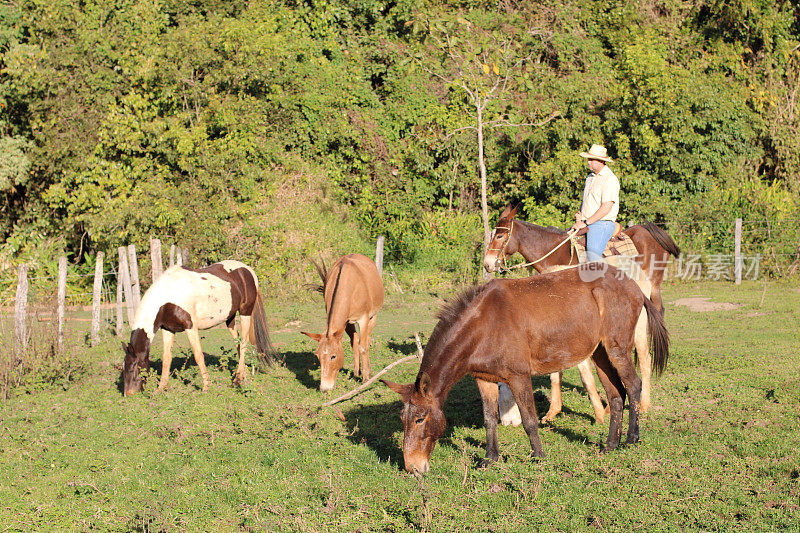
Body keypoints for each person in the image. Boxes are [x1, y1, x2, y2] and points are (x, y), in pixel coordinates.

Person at [570, 144, 620, 262]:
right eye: (588, 159)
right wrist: (580, 215)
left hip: (602, 223)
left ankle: (601, 279)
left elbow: (606, 207)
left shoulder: (610, 179)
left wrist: (586, 222)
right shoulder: (590, 178)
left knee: (592, 257)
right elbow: (587, 201)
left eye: (592, 160)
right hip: (585, 222)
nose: (588, 162)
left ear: (601, 162)